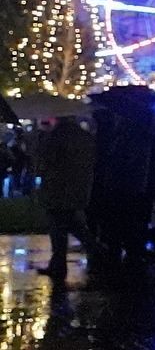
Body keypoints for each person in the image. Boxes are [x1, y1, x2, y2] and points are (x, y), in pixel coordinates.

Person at [33, 115, 94, 278]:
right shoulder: (84, 136)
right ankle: (97, 252)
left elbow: (46, 159)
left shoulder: (57, 137)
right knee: (72, 224)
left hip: (58, 187)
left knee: (59, 226)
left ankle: (60, 264)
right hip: (76, 187)